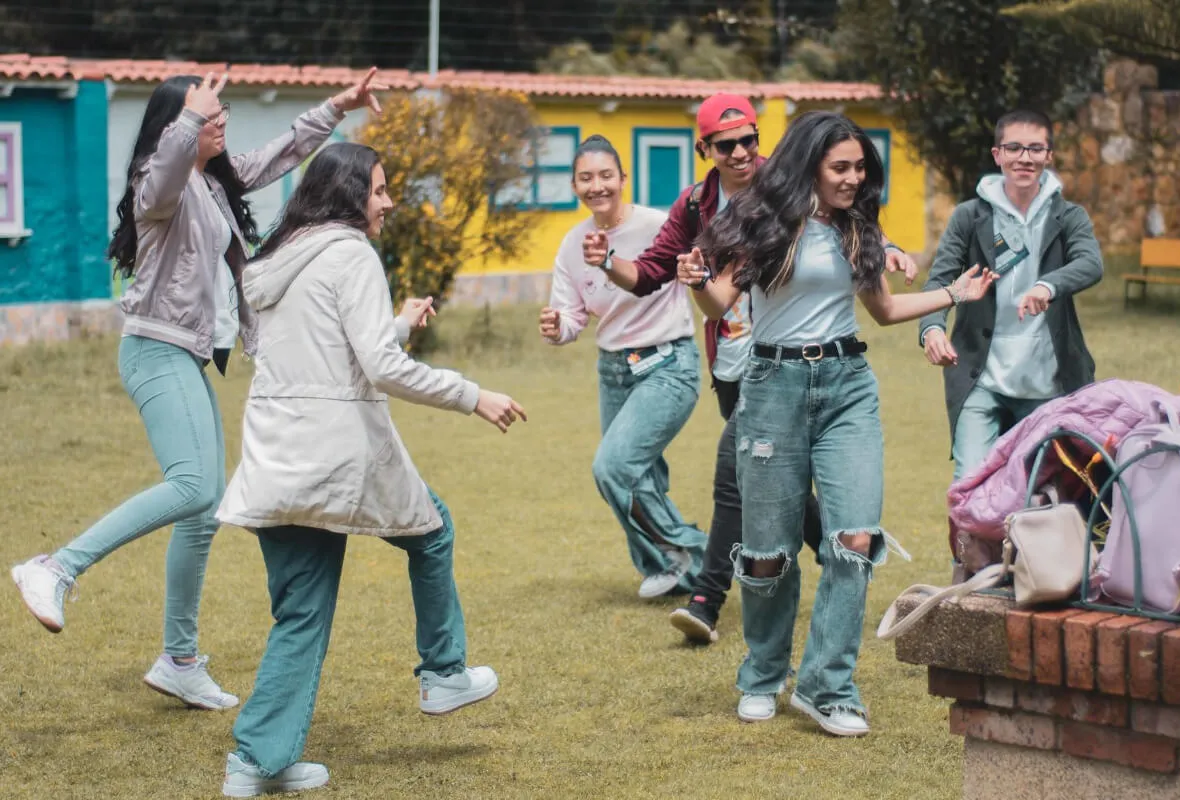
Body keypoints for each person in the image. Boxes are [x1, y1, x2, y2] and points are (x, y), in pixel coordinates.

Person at [10, 69, 384, 710]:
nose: (218, 117)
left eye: (219, 108)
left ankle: (178, 659)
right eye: (202, 111)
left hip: (184, 357)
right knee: (192, 485)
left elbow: (280, 153)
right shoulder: (159, 187)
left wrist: (337, 107)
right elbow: (160, 178)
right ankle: (57, 567)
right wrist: (187, 123)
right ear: (173, 127)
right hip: (155, 351)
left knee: (203, 509)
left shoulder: (212, 183)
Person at [215, 142, 525, 797]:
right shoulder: (352, 253)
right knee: (433, 531)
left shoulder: (276, 257)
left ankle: (254, 763)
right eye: (380, 190)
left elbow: (332, 350)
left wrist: (397, 325)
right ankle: (443, 674)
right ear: (350, 194)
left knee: (300, 613)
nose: (387, 202)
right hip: (332, 459)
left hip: (276, 455)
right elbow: (379, 368)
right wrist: (474, 395)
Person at [679, 111, 995, 733]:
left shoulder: (857, 228)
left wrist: (954, 294)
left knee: (853, 539)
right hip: (772, 387)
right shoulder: (763, 221)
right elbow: (721, 299)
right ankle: (764, 675)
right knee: (768, 553)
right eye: (840, 168)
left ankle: (829, 686)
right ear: (809, 166)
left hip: (848, 386)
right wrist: (695, 285)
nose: (853, 179)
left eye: (859, 168)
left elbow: (881, 310)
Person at [585, 93, 917, 644]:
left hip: (793, 361)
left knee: (733, 476)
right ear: (704, 149)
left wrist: (890, 245)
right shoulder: (694, 206)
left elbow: (844, 214)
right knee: (768, 481)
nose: (741, 152)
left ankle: (706, 599)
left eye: (749, 140)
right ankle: (849, 555)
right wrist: (605, 263)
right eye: (726, 144)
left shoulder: (785, 182)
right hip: (733, 364)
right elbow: (649, 273)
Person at [539, 134, 706, 599]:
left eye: (606, 175)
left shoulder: (660, 226)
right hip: (613, 370)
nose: (597, 186)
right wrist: (559, 327)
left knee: (613, 466)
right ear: (575, 185)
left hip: (669, 362)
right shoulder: (572, 245)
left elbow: (703, 268)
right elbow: (572, 314)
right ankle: (682, 573)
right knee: (641, 474)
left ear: (623, 179)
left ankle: (702, 555)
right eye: (586, 178)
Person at [918, 109, 1102, 489]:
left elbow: (1091, 263)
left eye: (1036, 148)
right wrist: (932, 328)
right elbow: (940, 278)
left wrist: (1046, 286)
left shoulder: (1068, 217)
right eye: (1014, 147)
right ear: (997, 154)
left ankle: (1029, 552)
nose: (1025, 157)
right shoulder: (969, 216)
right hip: (979, 378)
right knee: (971, 486)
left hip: (1049, 383)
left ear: (1049, 156)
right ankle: (967, 553)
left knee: (1045, 491)